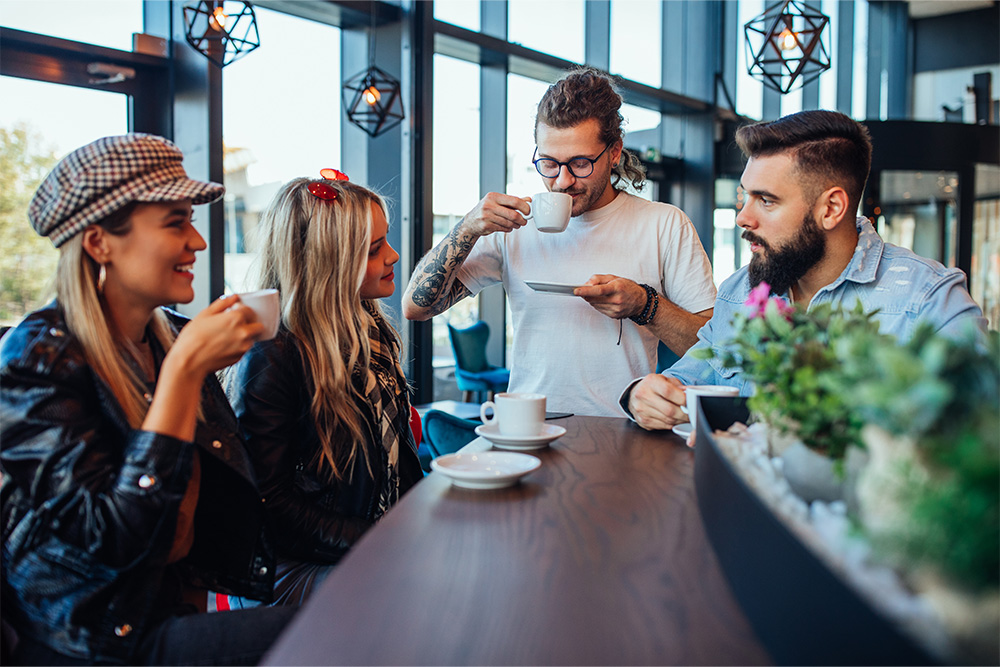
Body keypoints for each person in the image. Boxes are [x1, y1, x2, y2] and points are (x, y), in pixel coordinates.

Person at [0, 134, 297, 665]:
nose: (198, 243)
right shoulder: (35, 360)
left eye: (192, 220)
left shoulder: (167, 339)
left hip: (172, 608)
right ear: (99, 242)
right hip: (95, 640)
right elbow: (109, 545)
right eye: (175, 222)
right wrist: (185, 374)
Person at [622, 109, 988, 431]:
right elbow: (687, 380)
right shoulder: (740, 291)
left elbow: (978, 438)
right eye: (744, 196)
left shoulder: (929, 300)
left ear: (831, 209)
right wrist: (642, 395)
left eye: (766, 200)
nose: (742, 218)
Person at [402, 66, 716, 418]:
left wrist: (645, 304)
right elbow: (417, 307)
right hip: (525, 430)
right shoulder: (514, 227)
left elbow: (712, 349)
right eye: (549, 163)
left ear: (614, 152)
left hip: (621, 430)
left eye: (580, 163)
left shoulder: (664, 224)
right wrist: (466, 229)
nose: (562, 181)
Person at [225, 173, 423, 608]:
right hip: (292, 565)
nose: (392, 256)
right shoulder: (273, 354)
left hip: (359, 541)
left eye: (384, 241)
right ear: (328, 262)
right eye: (374, 250)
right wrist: (387, 538)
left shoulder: (370, 329)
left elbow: (397, 466)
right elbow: (271, 506)